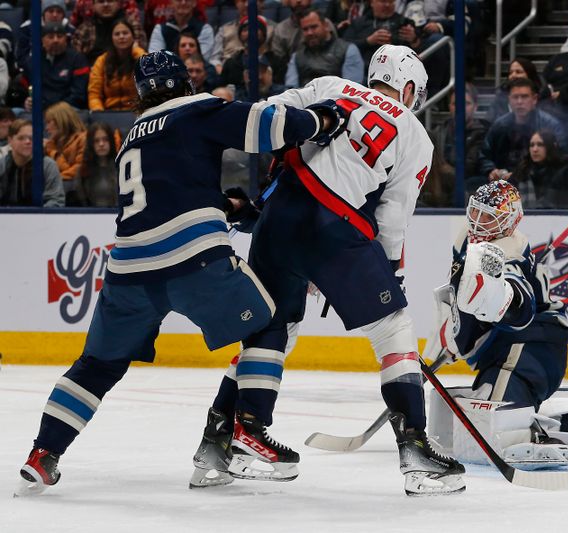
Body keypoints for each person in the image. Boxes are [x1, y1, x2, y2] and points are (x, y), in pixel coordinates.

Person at [14, 49, 348, 497]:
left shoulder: (132, 135)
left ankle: (43, 453)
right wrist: (322, 120)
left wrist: (225, 208)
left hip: (128, 272)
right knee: (274, 321)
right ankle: (249, 428)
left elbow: (167, 196)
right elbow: (271, 126)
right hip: (194, 261)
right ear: (185, 82)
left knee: (96, 366)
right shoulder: (195, 108)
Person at [193, 44, 466, 496]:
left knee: (273, 328)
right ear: (409, 86)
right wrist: (389, 274)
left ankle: (221, 439)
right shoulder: (415, 134)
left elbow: (266, 118)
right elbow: (392, 221)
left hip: (277, 217)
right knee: (393, 328)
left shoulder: (329, 86)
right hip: (333, 227)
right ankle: (416, 450)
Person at [428, 180, 568, 464]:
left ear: (509, 220)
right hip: (504, 353)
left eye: (488, 216)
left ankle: (548, 432)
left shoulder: (508, 254)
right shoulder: (467, 240)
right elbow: (459, 296)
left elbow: (519, 308)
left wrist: (500, 296)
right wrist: (454, 335)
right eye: (475, 212)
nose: (478, 222)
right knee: (461, 422)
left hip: (531, 350)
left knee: (490, 426)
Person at [478, 78, 565, 184]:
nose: (519, 102)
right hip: (503, 183)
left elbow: (558, 158)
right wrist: (491, 170)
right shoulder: (500, 125)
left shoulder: (551, 125)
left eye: (524, 97)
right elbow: (484, 154)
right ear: (509, 100)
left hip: (539, 182)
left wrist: (520, 174)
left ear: (534, 99)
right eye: (515, 97)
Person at [285, 8, 364, 88]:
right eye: (305, 29)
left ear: (326, 26)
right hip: (305, 98)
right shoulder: (297, 56)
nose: (310, 32)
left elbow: (352, 89)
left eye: (314, 27)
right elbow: (290, 90)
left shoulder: (348, 50)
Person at [19, 22, 89, 112]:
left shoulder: (77, 59)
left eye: (59, 36)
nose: (55, 40)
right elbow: (24, 89)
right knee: (16, 112)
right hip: (40, 109)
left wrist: (54, 109)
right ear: (42, 40)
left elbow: (79, 94)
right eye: (51, 37)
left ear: (66, 40)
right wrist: (26, 101)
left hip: (68, 109)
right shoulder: (33, 60)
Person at [0, 119, 65, 207]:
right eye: (21, 138)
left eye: (32, 138)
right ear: (10, 140)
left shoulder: (48, 165)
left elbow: (56, 201)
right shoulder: (2, 165)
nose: (27, 142)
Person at [88, 19, 147, 111]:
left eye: (125, 33)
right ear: (111, 38)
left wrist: (136, 51)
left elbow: (151, 81)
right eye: (117, 34)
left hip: (137, 112)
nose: (121, 37)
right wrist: (98, 112)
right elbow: (94, 93)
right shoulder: (102, 61)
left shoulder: (140, 56)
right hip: (109, 114)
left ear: (133, 37)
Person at [73, 0, 148, 64]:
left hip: (127, 71)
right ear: (93, 6)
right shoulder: (84, 28)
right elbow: (76, 59)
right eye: (101, 1)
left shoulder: (132, 25)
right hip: (91, 73)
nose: (106, 5)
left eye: (110, 1)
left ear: (118, 3)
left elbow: (140, 54)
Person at [508, 129, 567, 209]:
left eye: (540, 145)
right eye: (532, 145)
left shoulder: (562, 172)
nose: (535, 150)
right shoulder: (521, 172)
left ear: (550, 147)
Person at [44, 102, 87, 204]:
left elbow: (78, 170)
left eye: (49, 122)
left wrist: (53, 153)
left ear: (61, 120)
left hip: (77, 198)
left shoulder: (84, 139)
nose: (46, 128)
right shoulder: (51, 144)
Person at [148, 0, 213, 59]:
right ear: (171, 3)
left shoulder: (204, 29)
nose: (183, 2)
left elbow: (202, 60)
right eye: (178, 0)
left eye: (187, 0)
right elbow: (155, 59)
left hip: (194, 70)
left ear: (194, 3)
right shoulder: (160, 29)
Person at [75, 122, 119, 207]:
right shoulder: (83, 171)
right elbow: (82, 202)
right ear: (91, 144)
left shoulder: (122, 168)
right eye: (96, 141)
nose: (101, 144)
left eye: (105, 139)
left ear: (111, 142)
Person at [490, 58, 540, 122]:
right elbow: (488, 123)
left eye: (518, 72)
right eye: (511, 72)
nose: (513, 75)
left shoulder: (542, 97)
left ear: (529, 75)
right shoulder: (500, 97)